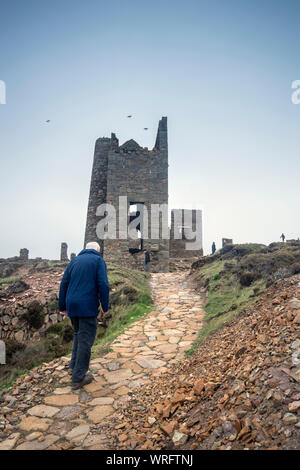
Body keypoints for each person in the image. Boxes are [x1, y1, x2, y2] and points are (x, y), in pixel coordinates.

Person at [58, 241, 109, 390]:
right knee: (85, 341)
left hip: (72, 304)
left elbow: (64, 284)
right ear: (98, 250)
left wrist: (62, 306)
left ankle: (73, 366)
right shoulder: (98, 260)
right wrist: (105, 306)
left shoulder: (74, 261)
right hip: (87, 306)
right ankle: (78, 378)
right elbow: (103, 284)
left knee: (78, 335)